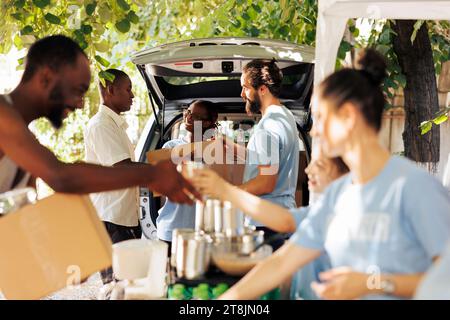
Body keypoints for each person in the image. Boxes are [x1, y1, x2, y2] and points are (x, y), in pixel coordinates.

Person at [213, 49, 450, 300]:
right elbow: (281, 263)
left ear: (348, 117)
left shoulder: (414, 188)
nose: (314, 132)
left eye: (321, 119)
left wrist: (373, 283)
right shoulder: (338, 195)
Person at [0, 35, 198, 205]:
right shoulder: (2, 114)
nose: (79, 104)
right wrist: (153, 175)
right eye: (77, 91)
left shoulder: (27, 141)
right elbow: (61, 177)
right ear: (45, 77)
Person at [193, 152, 349, 299]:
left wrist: (223, 190)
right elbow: (282, 263)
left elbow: (285, 221)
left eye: (320, 165)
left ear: (344, 177)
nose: (308, 169)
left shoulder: (336, 215)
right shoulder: (320, 211)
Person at [224, 59, 300, 250]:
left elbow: (266, 182)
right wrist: (230, 146)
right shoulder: (285, 117)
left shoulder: (269, 125)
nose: (242, 94)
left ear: (263, 89)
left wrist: (227, 193)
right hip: (279, 218)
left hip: (266, 223)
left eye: (245, 88)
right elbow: (269, 160)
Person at [84, 69, 143, 283]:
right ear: (110, 90)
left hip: (122, 217)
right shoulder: (101, 125)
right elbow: (123, 168)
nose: (133, 95)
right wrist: (160, 170)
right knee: (115, 288)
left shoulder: (113, 125)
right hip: (111, 220)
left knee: (129, 284)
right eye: (128, 89)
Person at [157, 100, 218, 251]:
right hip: (171, 230)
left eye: (195, 116)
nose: (188, 117)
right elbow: (160, 184)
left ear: (207, 123)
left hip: (204, 232)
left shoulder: (216, 152)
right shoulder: (170, 147)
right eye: (188, 112)